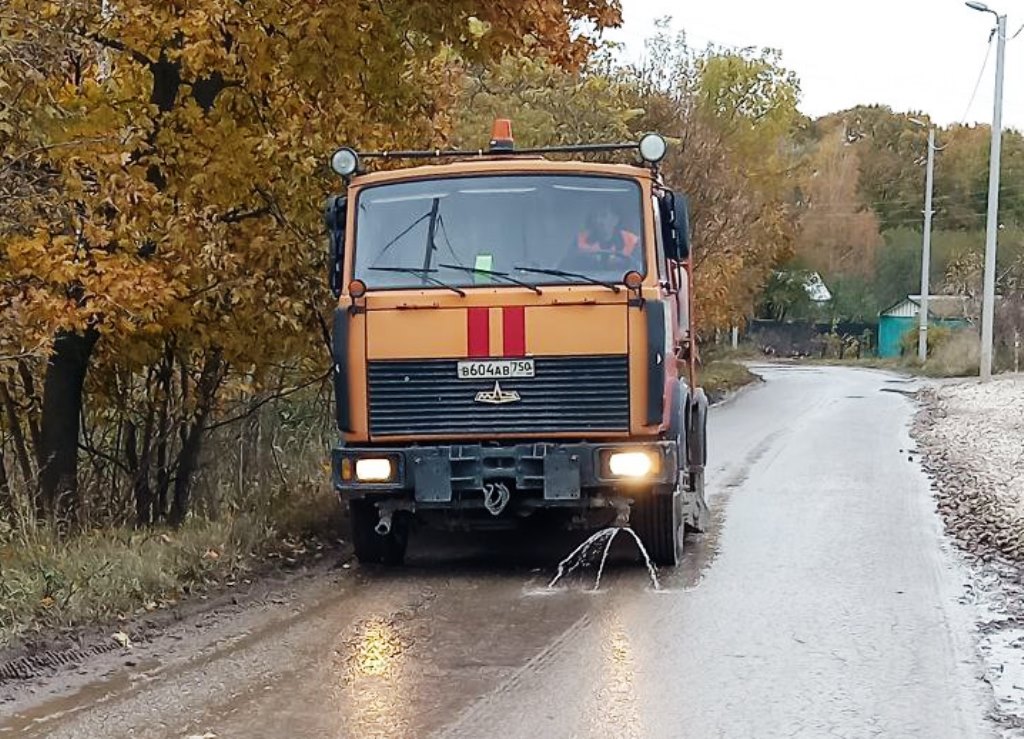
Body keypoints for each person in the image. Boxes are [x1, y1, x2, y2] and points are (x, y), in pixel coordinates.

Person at [562, 204, 642, 272]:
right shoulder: (580, 239)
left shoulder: (632, 241)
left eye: (604, 216)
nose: (598, 220)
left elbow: (639, 269)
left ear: (616, 219)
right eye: (595, 216)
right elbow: (566, 267)